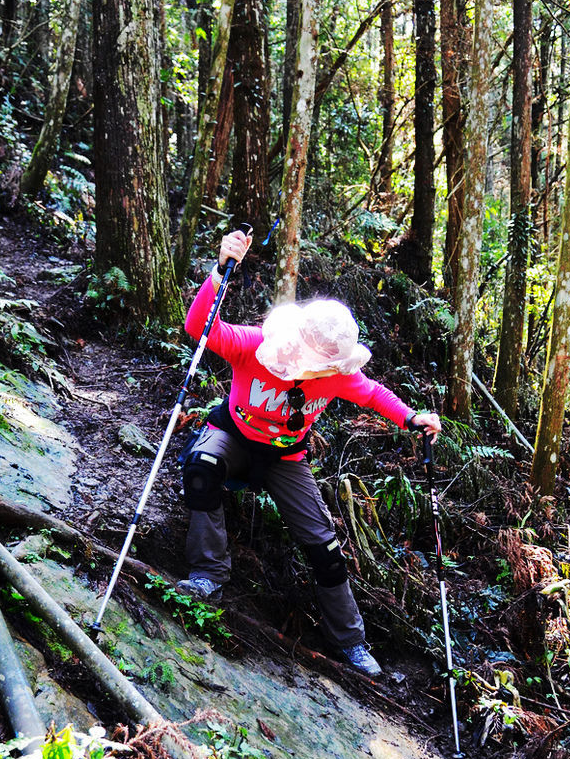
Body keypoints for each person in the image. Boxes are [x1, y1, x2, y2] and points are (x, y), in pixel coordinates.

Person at [176, 228, 441, 676]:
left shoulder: (337, 372)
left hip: (285, 457)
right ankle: (208, 575)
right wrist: (222, 268)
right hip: (235, 436)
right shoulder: (254, 345)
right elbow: (200, 328)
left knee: (325, 546)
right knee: (202, 466)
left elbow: (374, 393)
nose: (316, 371)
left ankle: (351, 642)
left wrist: (411, 418)